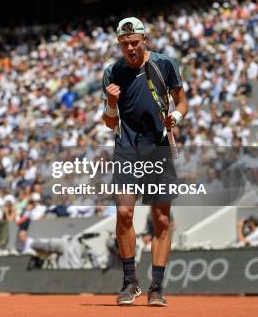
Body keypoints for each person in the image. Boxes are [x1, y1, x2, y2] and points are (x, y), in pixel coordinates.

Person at [102, 17, 188, 307]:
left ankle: (157, 287)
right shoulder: (112, 72)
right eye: (124, 44)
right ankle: (130, 282)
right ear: (119, 44)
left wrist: (175, 117)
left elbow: (182, 102)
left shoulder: (165, 64)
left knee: (161, 219)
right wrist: (111, 103)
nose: (130, 48)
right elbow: (108, 122)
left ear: (144, 40)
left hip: (160, 149)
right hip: (127, 148)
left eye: (134, 43)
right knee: (124, 214)